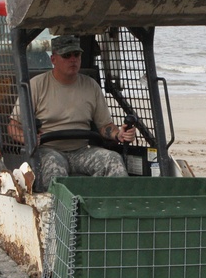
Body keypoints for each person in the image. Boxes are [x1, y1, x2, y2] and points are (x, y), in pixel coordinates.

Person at [8, 34, 136, 190]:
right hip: (48, 150)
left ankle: (113, 208)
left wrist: (119, 134)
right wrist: (28, 138)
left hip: (81, 150)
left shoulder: (91, 86)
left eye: (76, 55)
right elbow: (13, 126)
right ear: (53, 59)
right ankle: (60, 212)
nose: (73, 59)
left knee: (113, 160)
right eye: (67, 55)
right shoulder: (36, 86)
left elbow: (105, 126)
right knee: (55, 168)